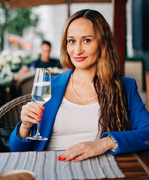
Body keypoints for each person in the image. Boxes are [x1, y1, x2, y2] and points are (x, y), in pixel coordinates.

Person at [9, 9, 149, 162]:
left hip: (103, 170)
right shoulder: (48, 87)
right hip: (50, 168)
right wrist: (25, 127)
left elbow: (147, 133)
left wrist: (105, 143)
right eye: (72, 41)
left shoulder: (125, 87)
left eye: (87, 40)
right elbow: (16, 149)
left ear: (102, 44)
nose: (77, 50)